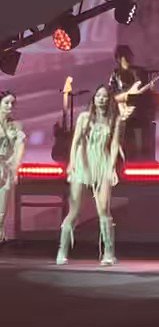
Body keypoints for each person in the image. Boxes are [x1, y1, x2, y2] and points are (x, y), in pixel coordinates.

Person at [56, 85, 122, 265]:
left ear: (109, 99)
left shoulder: (114, 119)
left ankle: (108, 253)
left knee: (104, 210)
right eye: (98, 95)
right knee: (75, 210)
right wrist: (72, 163)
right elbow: (76, 141)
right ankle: (62, 250)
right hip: (83, 162)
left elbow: (114, 145)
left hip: (102, 162)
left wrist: (112, 167)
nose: (101, 99)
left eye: (104, 96)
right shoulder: (84, 118)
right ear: (94, 98)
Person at [108, 44, 153, 160]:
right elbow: (111, 95)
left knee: (139, 142)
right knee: (123, 139)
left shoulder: (139, 72)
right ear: (119, 58)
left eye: (129, 56)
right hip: (122, 113)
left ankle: (141, 158)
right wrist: (123, 98)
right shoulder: (115, 75)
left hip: (138, 113)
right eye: (123, 57)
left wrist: (148, 89)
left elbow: (146, 94)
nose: (127, 59)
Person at [0, 92, 26, 243]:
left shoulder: (15, 126)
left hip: (5, 169)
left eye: (12, 103)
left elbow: (20, 146)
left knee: (2, 210)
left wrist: (15, 166)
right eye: (6, 102)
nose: (10, 106)